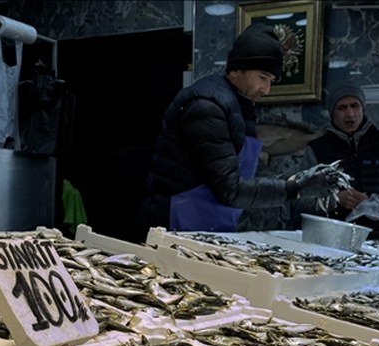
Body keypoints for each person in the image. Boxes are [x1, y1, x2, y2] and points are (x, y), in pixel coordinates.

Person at [136, 25, 339, 239]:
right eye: (263, 77)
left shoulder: (239, 107)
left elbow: (237, 175)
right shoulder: (207, 106)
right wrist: (296, 187)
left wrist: (298, 180)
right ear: (236, 69)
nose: (267, 89)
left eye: (271, 80)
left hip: (207, 225)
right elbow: (230, 189)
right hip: (174, 225)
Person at [306, 84, 379, 242]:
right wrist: (335, 199)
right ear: (332, 113)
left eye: (355, 106)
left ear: (363, 108)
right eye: (342, 108)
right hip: (334, 239)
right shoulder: (317, 148)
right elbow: (301, 198)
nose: (350, 113)